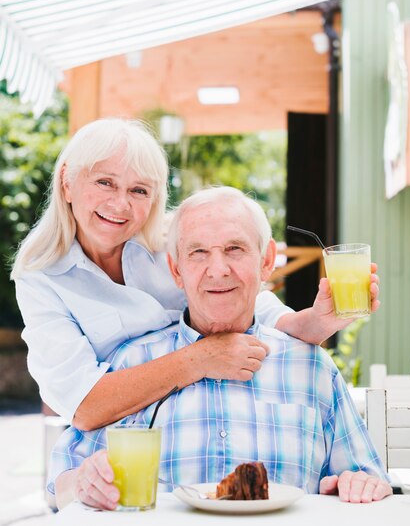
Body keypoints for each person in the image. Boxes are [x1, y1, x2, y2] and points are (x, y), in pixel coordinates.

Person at [12, 118, 380, 431]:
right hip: (124, 432)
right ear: (67, 183)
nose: (120, 203)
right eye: (104, 182)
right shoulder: (41, 276)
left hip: (207, 412)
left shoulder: (173, 241)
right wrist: (200, 358)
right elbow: (84, 407)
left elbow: (246, 297)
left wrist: (313, 323)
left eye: (139, 190)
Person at [49, 187, 391, 510]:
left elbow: (369, 479)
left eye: (234, 249)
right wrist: (84, 481)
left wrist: (361, 484)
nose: (218, 270)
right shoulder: (133, 363)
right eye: (198, 253)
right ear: (176, 270)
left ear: (266, 260)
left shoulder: (311, 367)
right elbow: (60, 486)